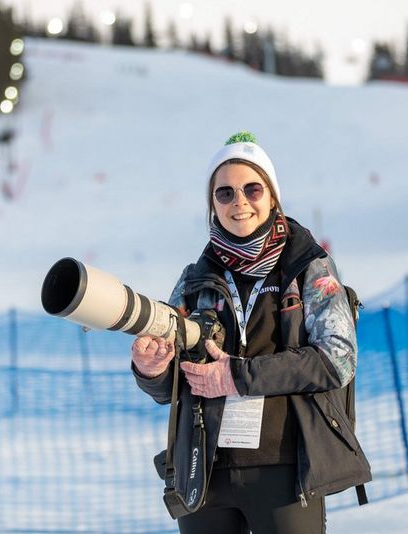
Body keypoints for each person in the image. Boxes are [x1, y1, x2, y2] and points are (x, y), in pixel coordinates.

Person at [131, 132, 371, 534]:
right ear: (212, 204)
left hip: (285, 468)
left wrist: (238, 376)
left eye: (251, 189)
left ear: (272, 196)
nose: (238, 201)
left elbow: (338, 358)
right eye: (224, 193)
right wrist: (151, 370)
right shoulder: (194, 280)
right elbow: (171, 387)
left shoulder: (308, 267)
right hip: (204, 470)